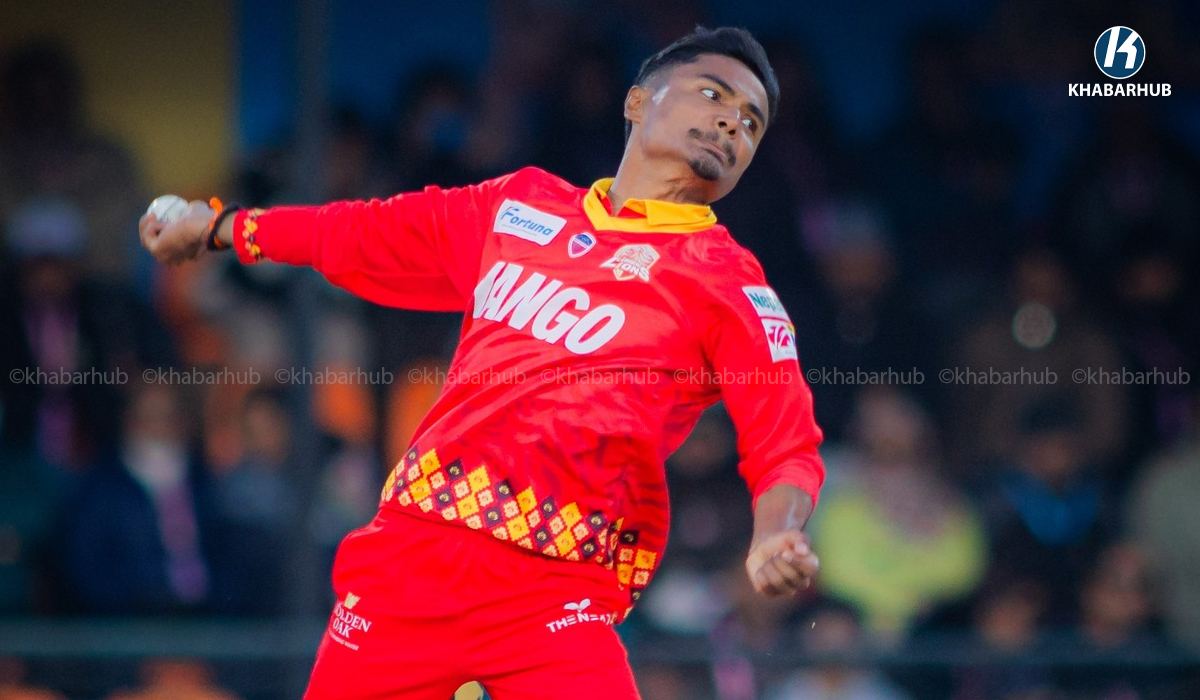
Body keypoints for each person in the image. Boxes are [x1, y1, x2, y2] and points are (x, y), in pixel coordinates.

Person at [140, 27, 824, 700]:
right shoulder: (517, 205)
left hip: (556, 592)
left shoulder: (731, 284)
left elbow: (786, 444)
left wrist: (776, 535)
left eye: (751, 123)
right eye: (712, 94)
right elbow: (361, 232)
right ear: (638, 101)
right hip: (412, 563)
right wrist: (222, 227)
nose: (731, 123)